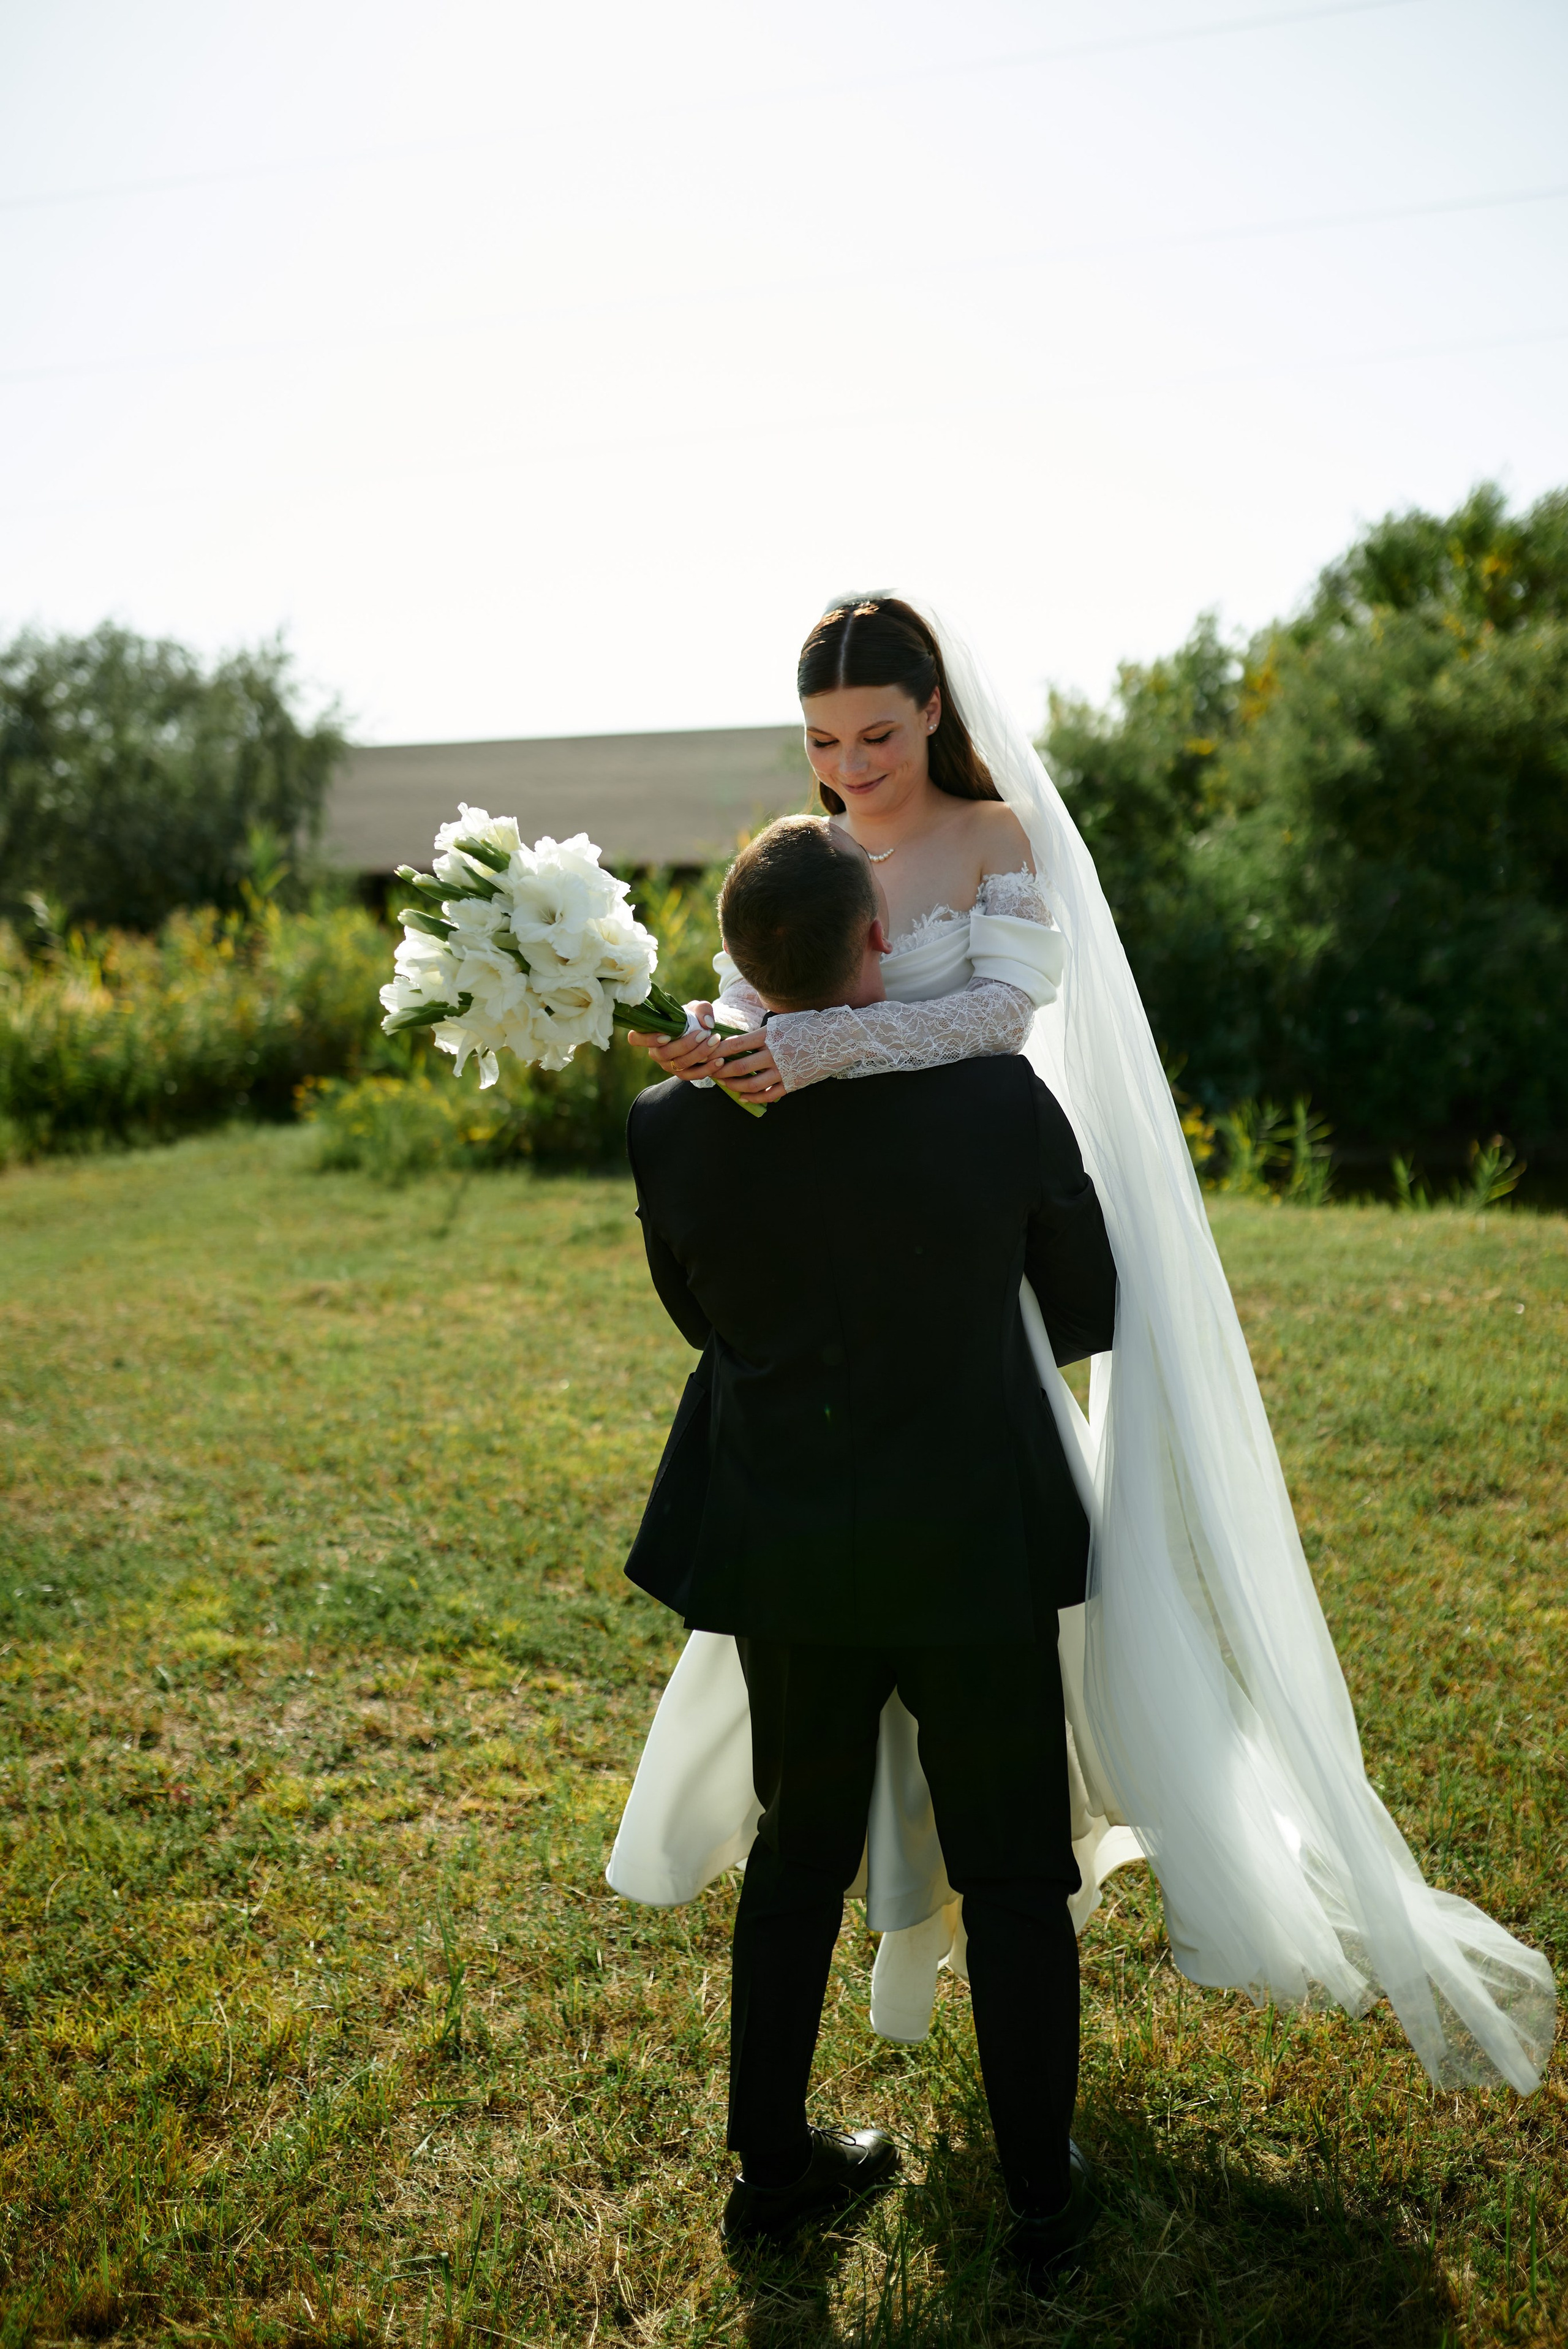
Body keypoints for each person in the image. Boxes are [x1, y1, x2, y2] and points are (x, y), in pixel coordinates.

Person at [624, 813, 1119, 2274]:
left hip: (785, 1540)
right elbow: (1081, 1305)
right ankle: (1041, 2198)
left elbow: (699, 1319)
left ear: (736, 957)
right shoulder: (996, 1100)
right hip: (972, 1538)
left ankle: (770, 2171)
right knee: (1016, 1868)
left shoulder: (666, 1123)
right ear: (878, 943)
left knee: (798, 1851)